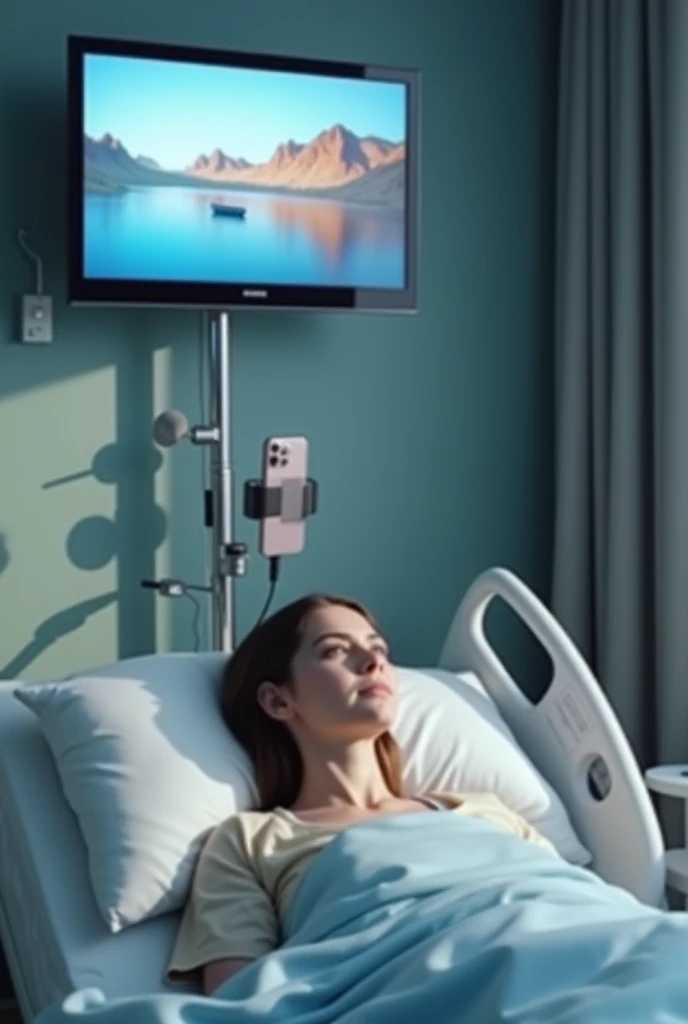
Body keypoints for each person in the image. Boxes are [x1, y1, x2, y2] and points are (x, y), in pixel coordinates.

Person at [166, 594, 555, 996]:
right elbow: (237, 999)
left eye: (377, 649)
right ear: (278, 700)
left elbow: (572, 900)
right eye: (335, 650)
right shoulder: (252, 843)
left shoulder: (485, 810)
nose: (373, 663)